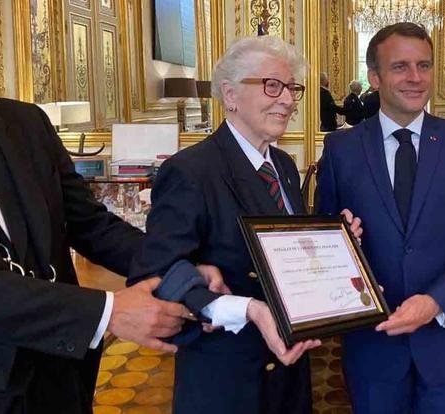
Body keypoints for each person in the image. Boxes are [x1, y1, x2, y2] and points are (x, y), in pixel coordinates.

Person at [128, 36, 361, 414]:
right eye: (273, 85)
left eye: (292, 88)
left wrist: (337, 242)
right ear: (230, 94)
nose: (288, 100)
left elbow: (284, 254)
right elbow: (157, 271)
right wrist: (246, 308)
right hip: (228, 377)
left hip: (289, 369)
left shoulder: (283, 166)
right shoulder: (191, 171)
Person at [316, 23, 445, 413]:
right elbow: (324, 242)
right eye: (400, 66)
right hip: (373, 346)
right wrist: (340, 240)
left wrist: (438, 301)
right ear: (375, 77)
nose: (415, 78)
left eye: (424, 65)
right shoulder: (341, 149)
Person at [0, 98, 193, 413]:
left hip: (60, 375)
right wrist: (108, 311)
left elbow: (90, 224)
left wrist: (180, 267)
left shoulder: (27, 122)